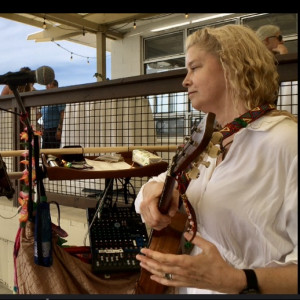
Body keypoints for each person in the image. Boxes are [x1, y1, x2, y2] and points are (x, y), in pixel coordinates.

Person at [135, 24, 297, 295]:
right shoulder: (206, 140)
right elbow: (159, 184)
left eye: (194, 67)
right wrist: (150, 194)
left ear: (233, 66)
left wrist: (240, 280)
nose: (185, 80)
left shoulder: (286, 142)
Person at [37, 80, 65, 148]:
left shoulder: (58, 97)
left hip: (54, 129)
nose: (46, 87)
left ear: (54, 86)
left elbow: (62, 114)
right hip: (46, 130)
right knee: (45, 152)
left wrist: (59, 130)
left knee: (54, 152)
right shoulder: (46, 100)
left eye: (48, 84)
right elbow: (40, 114)